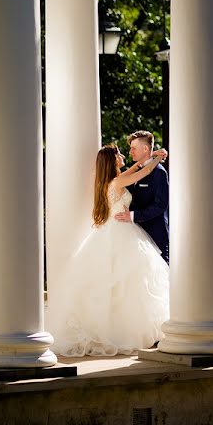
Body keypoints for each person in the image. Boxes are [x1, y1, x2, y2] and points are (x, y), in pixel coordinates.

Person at [49, 145, 170, 357]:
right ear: (113, 161)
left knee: (120, 287)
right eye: (118, 155)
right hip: (121, 233)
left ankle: (118, 329)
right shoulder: (117, 182)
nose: (123, 156)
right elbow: (145, 172)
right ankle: (122, 333)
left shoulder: (111, 181)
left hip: (112, 232)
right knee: (127, 285)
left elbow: (135, 168)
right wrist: (157, 159)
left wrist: (151, 157)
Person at [115, 130, 169, 264]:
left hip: (155, 235)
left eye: (133, 148)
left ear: (145, 148)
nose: (130, 152)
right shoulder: (135, 171)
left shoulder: (159, 173)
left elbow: (160, 205)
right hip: (136, 236)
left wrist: (133, 216)